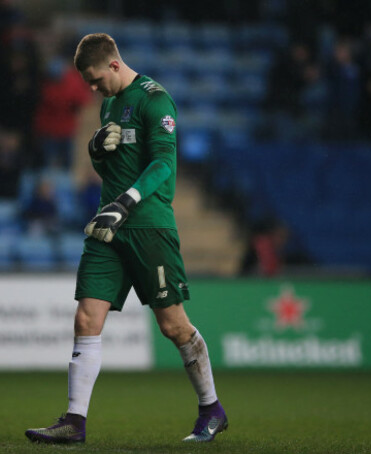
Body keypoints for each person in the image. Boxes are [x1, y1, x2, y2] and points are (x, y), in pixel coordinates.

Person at [25, 33, 228, 444]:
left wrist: (128, 201)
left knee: (173, 326)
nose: (93, 88)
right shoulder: (109, 104)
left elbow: (163, 165)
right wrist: (96, 149)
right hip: (108, 227)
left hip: (148, 227)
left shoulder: (156, 100)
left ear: (114, 65)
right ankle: (74, 422)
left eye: (97, 79)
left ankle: (212, 409)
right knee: (85, 318)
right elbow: (110, 167)